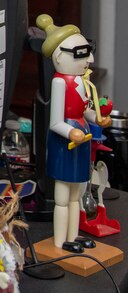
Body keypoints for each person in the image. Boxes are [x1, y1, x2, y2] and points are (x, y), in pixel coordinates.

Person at [37, 13, 109, 252]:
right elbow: (55, 121)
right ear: (59, 56)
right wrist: (71, 133)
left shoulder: (84, 82)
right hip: (65, 141)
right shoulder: (60, 83)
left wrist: (97, 118)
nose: (89, 58)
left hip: (82, 136)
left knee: (76, 195)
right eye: (81, 53)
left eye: (88, 50)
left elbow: (87, 110)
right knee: (62, 195)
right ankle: (60, 242)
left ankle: (73, 236)